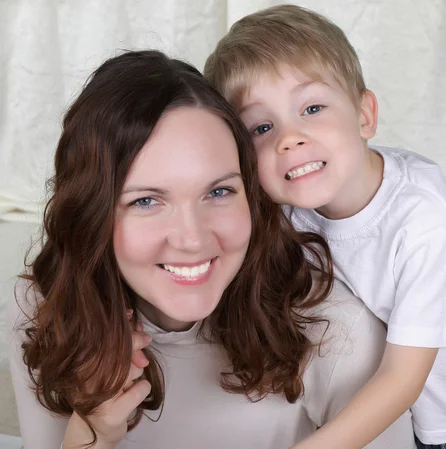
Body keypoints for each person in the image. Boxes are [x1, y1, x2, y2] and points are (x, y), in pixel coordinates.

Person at [7, 50, 415, 449]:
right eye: (146, 201)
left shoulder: (332, 329)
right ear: (91, 213)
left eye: (219, 191)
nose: (193, 239)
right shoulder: (41, 314)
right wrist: (91, 436)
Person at [204, 5, 446, 449]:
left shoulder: (429, 225)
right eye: (262, 126)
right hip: (406, 415)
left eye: (312, 108)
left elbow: (400, 379)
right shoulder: (293, 201)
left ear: (365, 115)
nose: (288, 138)